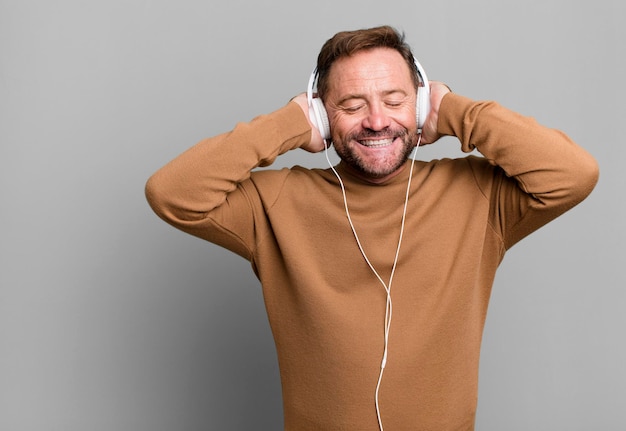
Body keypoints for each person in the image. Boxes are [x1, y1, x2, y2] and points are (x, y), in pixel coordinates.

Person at [145, 25, 599, 431]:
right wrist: (289, 122)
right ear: (324, 114)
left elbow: (573, 174)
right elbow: (171, 194)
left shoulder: (478, 196)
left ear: (419, 105)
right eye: (352, 105)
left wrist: (455, 110)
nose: (377, 120)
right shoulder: (275, 203)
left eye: (395, 100)